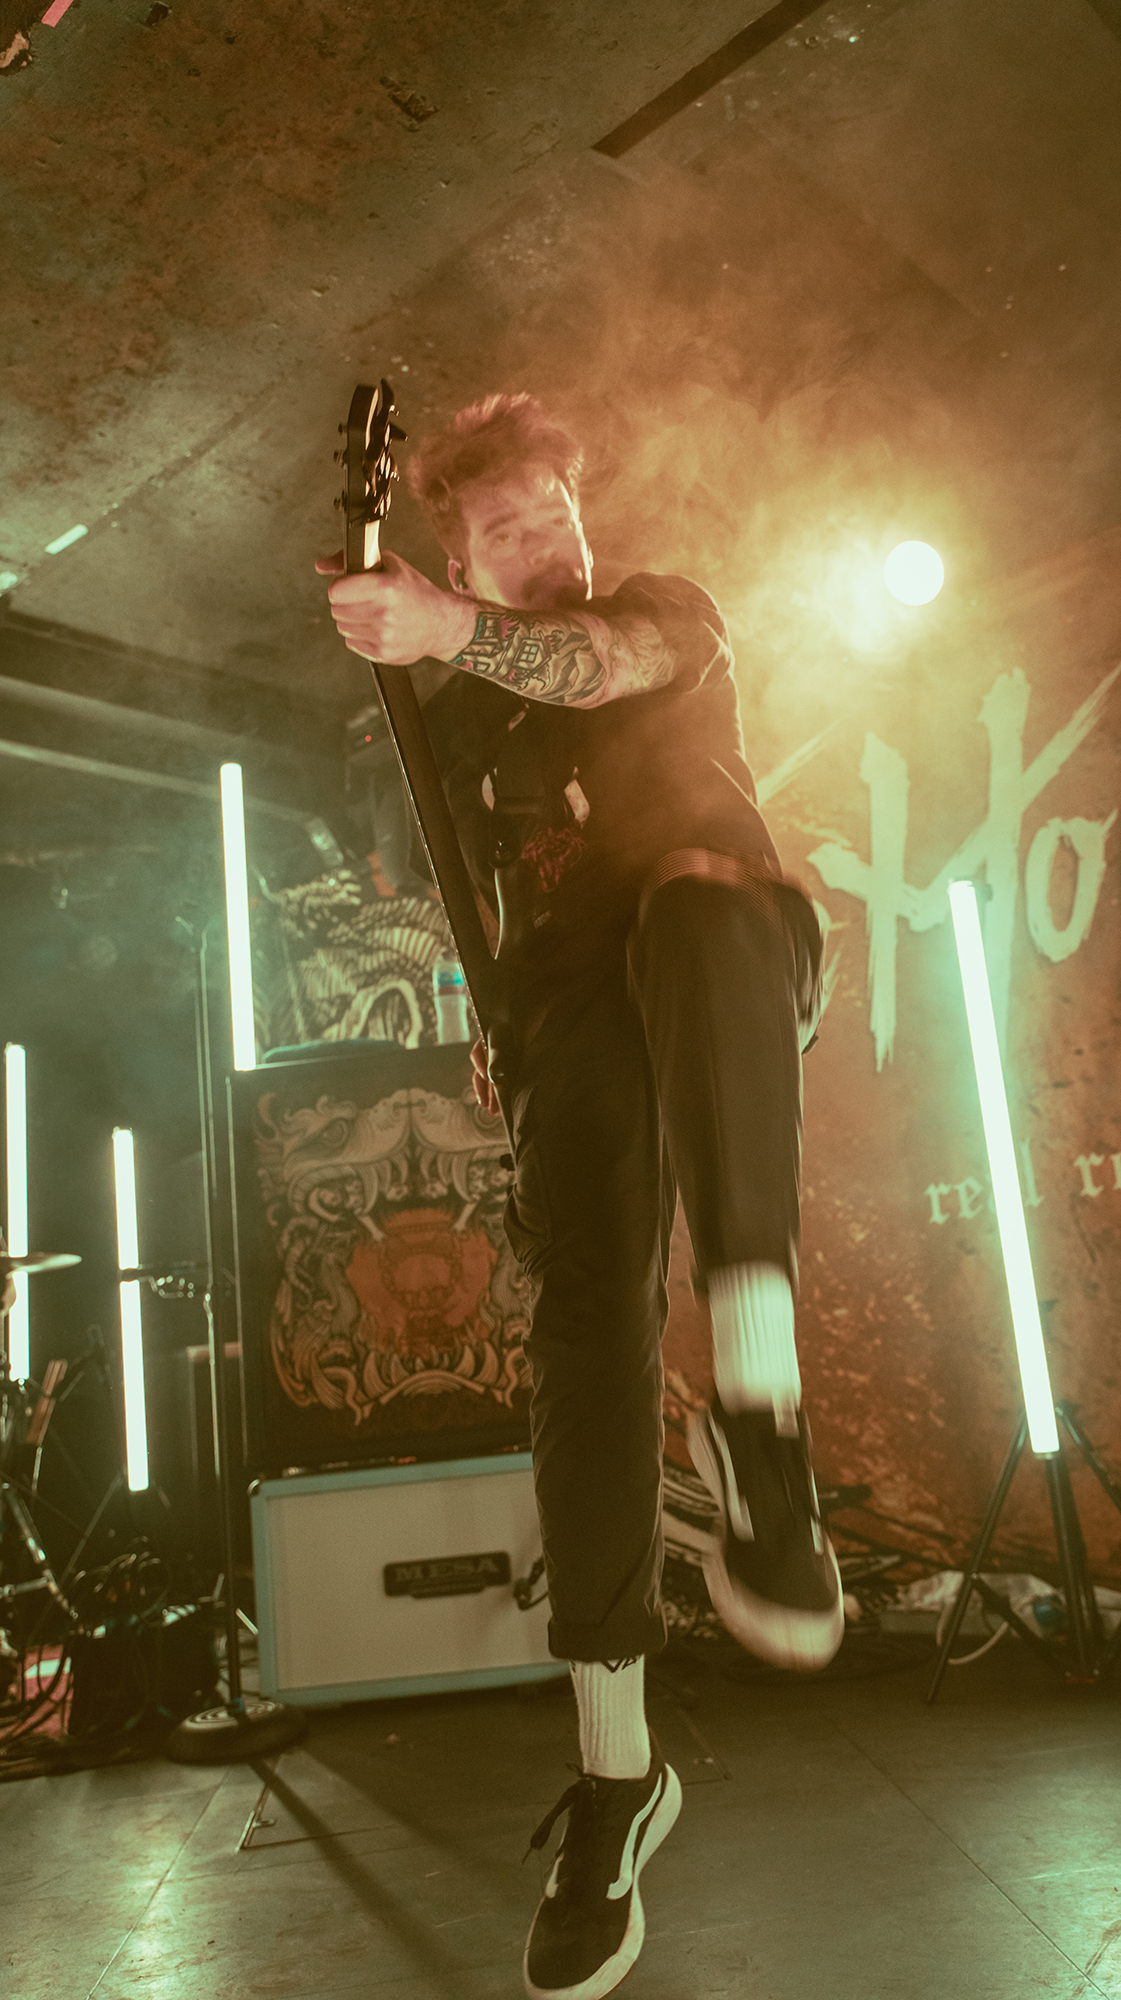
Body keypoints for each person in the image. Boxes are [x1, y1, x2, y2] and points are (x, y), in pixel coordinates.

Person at [319, 392, 841, 2000]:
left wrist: (441, 625)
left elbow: (591, 662)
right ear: (457, 547)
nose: (542, 538)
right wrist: (498, 1030)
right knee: (586, 1343)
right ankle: (617, 1777)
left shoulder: (664, 619)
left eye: (553, 512)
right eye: (503, 528)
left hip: (720, 948)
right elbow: (467, 899)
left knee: (692, 903)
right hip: (565, 1031)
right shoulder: (460, 734)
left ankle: (757, 1417)